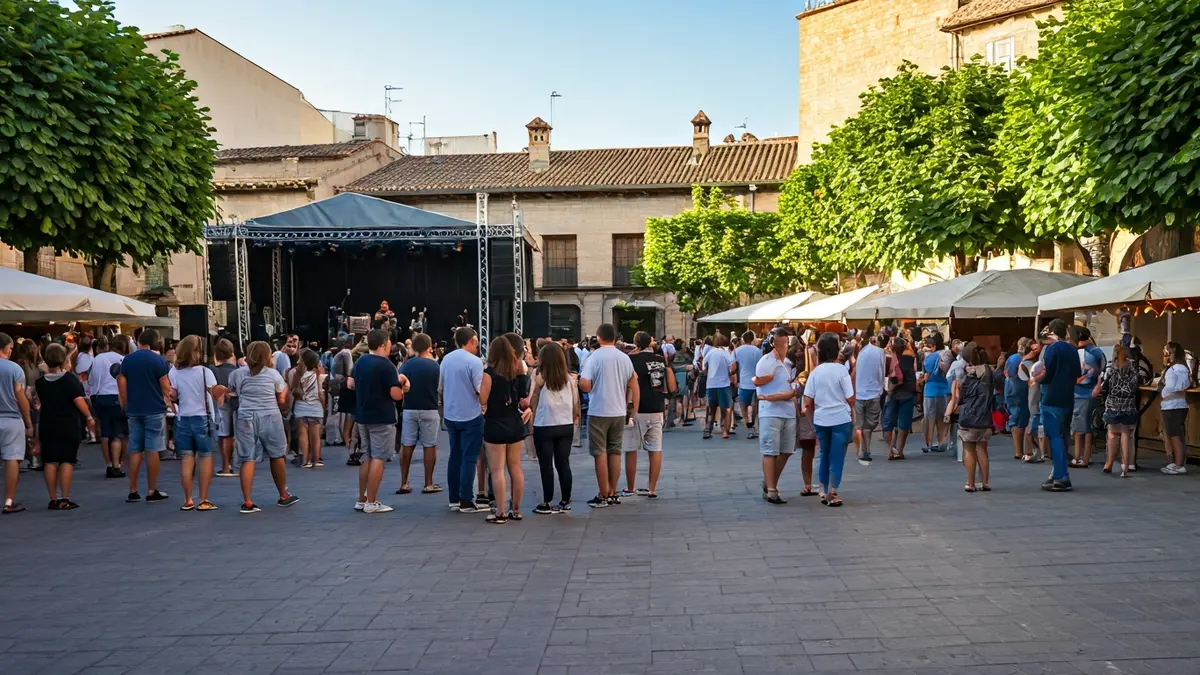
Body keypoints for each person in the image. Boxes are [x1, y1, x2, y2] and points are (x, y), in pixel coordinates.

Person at [228, 341, 299, 513]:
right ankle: (283, 495)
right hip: (270, 415)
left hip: (246, 416)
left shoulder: (237, 374)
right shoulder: (273, 374)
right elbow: (282, 396)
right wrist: (285, 410)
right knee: (277, 455)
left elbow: (233, 394)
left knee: (248, 458)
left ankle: (248, 501)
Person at [344, 330, 403, 514]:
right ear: (383, 344)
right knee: (378, 457)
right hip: (382, 416)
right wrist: (402, 385)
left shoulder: (360, 361)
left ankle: (362, 499)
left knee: (367, 457)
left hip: (363, 415)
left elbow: (350, 384)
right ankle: (372, 501)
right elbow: (396, 394)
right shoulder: (386, 365)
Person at [579, 323, 637, 508]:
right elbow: (632, 383)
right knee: (615, 451)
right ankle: (613, 492)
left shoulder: (594, 357)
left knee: (600, 453)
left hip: (599, 410)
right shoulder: (624, 358)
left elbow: (586, 385)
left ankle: (603, 493)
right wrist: (632, 409)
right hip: (618, 410)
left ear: (598, 337)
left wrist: (580, 383)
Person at [33, 343, 93, 510]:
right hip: (68, 424)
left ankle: (53, 498)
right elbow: (78, 401)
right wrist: (89, 416)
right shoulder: (70, 380)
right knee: (67, 460)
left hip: (47, 424)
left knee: (50, 461)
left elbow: (38, 402)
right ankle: (65, 498)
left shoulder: (40, 383)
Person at [479, 336, 531, 523]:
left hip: (495, 424)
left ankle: (500, 511)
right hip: (515, 423)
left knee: (497, 469)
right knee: (515, 467)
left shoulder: (489, 373)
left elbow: (483, 399)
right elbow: (524, 397)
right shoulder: (517, 372)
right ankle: (515, 509)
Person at [117, 329, 172, 504]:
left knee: (135, 448)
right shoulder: (159, 361)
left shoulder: (127, 360)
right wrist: (168, 402)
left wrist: (125, 404)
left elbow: (122, 383)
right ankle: (151, 489)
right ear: (154, 343)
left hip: (134, 409)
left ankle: (133, 490)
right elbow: (166, 387)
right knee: (153, 448)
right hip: (154, 409)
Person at [167, 336, 219, 511]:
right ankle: (203, 499)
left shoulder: (174, 372)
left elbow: (171, 395)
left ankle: (188, 499)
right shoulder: (205, 372)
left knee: (186, 458)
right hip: (202, 417)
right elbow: (215, 393)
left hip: (183, 418)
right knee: (205, 456)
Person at [803, 333, 855, 507]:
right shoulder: (841, 370)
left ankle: (823, 488)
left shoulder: (815, 373)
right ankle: (833, 490)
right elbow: (850, 397)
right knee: (837, 455)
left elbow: (807, 399)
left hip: (821, 419)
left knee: (824, 453)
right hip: (841, 418)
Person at [622, 331, 674, 499]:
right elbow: (670, 385)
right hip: (657, 406)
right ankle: (652, 488)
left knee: (631, 449)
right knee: (655, 449)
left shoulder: (632, 360)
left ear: (636, 343)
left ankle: (631, 487)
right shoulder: (660, 360)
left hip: (637, 408)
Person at [530, 342, 579, 514]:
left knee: (546, 465)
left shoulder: (539, 375)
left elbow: (532, 399)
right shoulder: (569, 378)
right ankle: (565, 501)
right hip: (565, 424)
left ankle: (547, 501)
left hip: (545, 423)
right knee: (563, 463)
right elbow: (575, 403)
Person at [442, 327, 487, 513]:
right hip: (470, 414)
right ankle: (466, 500)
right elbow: (480, 390)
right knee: (469, 458)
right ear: (472, 341)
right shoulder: (475, 362)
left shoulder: (446, 359)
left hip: (451, 413)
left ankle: (454, 498)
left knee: (455, 455)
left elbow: (442, 385)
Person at [1035, 319, 1081, 492]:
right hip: (1067, 397)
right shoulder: (1072, 349)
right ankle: (1056, 474)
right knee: (1062, 436)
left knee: (1054, 437)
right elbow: (1078, 372)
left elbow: (1047, 373)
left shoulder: (1052, 349)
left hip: (1051, 396)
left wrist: (1037, 379)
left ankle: (1062, 476)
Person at [754, 328, 797, 504]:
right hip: (770, 411)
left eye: (786, 341)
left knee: (786, 450)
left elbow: (794, 388)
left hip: (788, 411)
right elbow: (760, 388)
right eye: (782, 341)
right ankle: (772, 489)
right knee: (770, 450)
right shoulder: (766, 362)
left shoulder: (788, 364)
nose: (785, 344)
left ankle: (770, 480)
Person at [397, 332, 442, 495]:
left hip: (409, 408)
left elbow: (399, 382)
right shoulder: (435, 366)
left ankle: (404, 482)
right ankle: (428, 483)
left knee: (407, 444)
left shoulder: (407, 365)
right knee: (430, 445)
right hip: (430, 408)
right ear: (429, 347)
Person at [947, 342, 994, 492]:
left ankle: (971, 482)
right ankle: (985, 482)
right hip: (985, 418)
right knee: (982, 449)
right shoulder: (987, 376)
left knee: (969, 449)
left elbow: (958, 397)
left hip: (968, 417)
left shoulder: (964, 377)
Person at [0, 334, 34, 514]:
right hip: (11, 418)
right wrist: (28, 422)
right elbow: (20, 396)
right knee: (12, 458)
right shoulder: (14, 369)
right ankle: (9, 500)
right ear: (5, 348)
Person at [1100, 342, 1145, 477]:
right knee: (1126, 434)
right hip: (1128, 404)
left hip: (1113, 404)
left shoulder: (1110, 366)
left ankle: (1109, 463)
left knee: (1112, 435)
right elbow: (1137, 382)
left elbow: (1104, 385)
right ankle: (1125, 466)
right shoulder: (1132, 366)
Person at [90, 335, 128, 478]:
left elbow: (93, 379)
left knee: (105, 432)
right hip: (117, 396)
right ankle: (117, 464)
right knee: (119, 433)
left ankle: (108, 463)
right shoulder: (123, 359)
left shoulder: (98, 358)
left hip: (101, 396)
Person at [1071, 326, 1106, 468]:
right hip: (1090, 391)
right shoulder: (1097, 352)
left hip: (1078, 390)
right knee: (1087, 425)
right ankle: (1085, 456)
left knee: (1079, 425)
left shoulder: (1074, 352)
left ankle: (1078, 456)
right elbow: (1103, 371)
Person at [852, 333, 886, 464]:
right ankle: (867, 449)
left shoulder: (861, 354)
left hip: (860, 393)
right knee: (869, 424)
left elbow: (855, 373)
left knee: (859, 424)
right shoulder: (880, 352)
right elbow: (881, 371)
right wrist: (881, 387)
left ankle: (861, 449)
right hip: (874, 392)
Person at [289, 348, 325, 469]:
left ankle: (306, 460)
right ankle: (317, 459)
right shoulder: (319, 374)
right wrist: (325, 407)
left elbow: (293, 389)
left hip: (301, 407)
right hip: (316, 407)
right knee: (316, 436)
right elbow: (321, 393)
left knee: (302, 434)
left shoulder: (296, 373)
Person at [209, 339, 240, 477]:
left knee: (224, 435)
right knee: (229, 436)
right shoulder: (238, 371)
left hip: (216, 406)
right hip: (234, 405)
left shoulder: (212, 370)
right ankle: (229, 465)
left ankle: (225, 465)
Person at [883, 336, 917, 460]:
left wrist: (890, 389)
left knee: (888, 422)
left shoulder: (889, 359)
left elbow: (894, 377)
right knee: (904, 423)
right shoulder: (910, 358)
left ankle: (891, 449)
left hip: (894, 393)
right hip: (908, 393)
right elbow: (913, 374)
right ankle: (899, 450)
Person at [1160, 341, 1191, 475]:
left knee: (1174, 435)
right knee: (1176, 434)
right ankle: (1177, 462)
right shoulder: (1182, 368)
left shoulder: (1174, 369)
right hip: (1178, 404)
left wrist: (1163, 393)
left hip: (1172, 405)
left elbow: (1171, 386)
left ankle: (1179, 464)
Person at [919, 333, 951, 453]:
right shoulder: (946, 355)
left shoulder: (929, 358)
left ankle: (928, 443)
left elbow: (926, 376)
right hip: (943, 389)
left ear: (933, 346)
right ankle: (941, 441)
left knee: (929, 418)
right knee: (941, 417)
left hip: (930, 391)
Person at [331, 336, 359, 465]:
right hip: (349, 389)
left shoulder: (337, 356)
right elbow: (348, 370)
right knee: (351, 417)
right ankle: (350, 445)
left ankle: (349, 444)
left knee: (347, 417)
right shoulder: (347, 353)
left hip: (343, 388)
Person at [702, 333, 736, 440]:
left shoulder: (709, 353)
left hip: (711, 384)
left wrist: (708, 373)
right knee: (726, 409)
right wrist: (729, 374)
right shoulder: (724, 353)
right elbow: (733, 366)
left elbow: (703, 368)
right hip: (723, 384)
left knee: (711, 409)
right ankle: (725, 431)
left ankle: (708, 430)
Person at [1004, 338, 1032, 461]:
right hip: (1021, 390)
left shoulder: (1013, 358)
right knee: (1020, 419)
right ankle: (1021, 451)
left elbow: (1007, 372)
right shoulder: (1022, 359)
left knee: (1016, 417)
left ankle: (1019, 451)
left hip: (1011, 388)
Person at [734, 331, 762, 440]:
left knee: (743, 406)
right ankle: (753, 423)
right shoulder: (758, 351)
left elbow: (734, 366)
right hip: (756, 382)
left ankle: (749, 427)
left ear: (743, 339)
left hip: (743, 383)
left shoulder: (737, 351)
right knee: (755, 406)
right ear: (753, 339)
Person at [1021, 341, 1045, 463]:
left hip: (1033, 396)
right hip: (1034, 396)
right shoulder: (1030, 364)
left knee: (1033, 423)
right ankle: (1030, 452)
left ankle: (1032, 452)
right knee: (1033, 423)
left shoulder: (1029, 363)